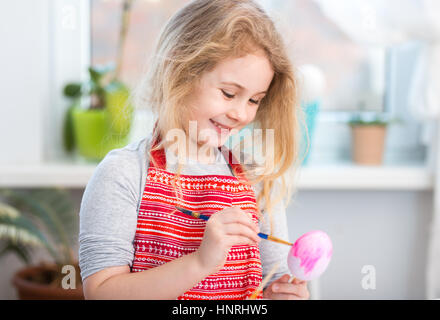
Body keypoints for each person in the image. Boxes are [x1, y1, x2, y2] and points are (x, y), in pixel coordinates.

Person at [79, 0, 309, 300]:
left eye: (254, 100)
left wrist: (283, 294)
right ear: (180, 70)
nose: (241, 114)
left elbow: (270, 284)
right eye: (229, 93)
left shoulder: (256, 179)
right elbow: (102, 293)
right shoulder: (122, 174)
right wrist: (200, 262)